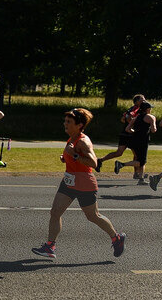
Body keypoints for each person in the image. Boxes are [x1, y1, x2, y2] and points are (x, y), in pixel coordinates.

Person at [31, 108, 126, 259]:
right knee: (55, 212)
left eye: (69, 122)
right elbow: (73, 155)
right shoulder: (72, 138)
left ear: (80, 125)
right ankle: (50, 246)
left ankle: (116, 238)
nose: (65, 124)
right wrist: (66, 157)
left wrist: (73, 155)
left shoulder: (82, 141)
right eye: (65, 121)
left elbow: (94, 163)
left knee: (93, 216)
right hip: (69, 181)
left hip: (84, 183)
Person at [97, 94, 146, 172]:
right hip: (131, 134)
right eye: (142, 100)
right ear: (136, 102)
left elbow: (123, 119)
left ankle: (100, 160)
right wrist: (132, 125)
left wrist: (128, 123)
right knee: (137, 156)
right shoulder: (137, 109)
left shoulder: (130, 108)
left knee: (119, 153)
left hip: (124, 133)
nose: (144, 101)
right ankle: (137, 175)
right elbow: (129, 117)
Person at [114, 101, 156, 183]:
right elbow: (154, 130)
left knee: (140, 159)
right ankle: (122, 164)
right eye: (150, 108)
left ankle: (141, 179)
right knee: (141, 161)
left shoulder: (137, 117)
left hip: (133, 140)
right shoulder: (150, 117)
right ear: (147, 109)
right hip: (143, 141)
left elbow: (127, 129)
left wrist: (136, 132)